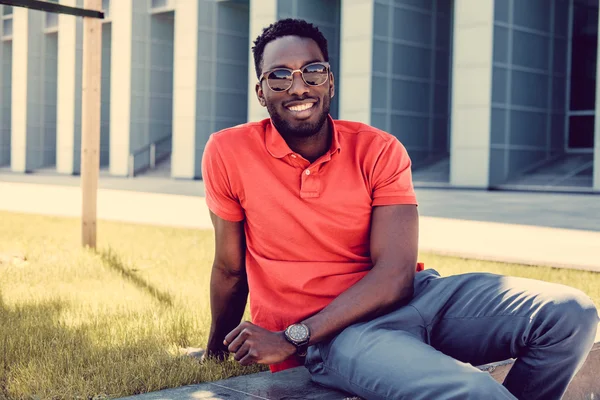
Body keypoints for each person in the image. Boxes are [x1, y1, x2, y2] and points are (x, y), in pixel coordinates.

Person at [200, 18, 599, 400]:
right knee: (474, 391)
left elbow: (395, 276)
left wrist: (289, 338)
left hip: (418, 300)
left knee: (571, 315)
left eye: (313, 71)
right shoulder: (229, 152)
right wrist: (216, 349)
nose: (299, 87)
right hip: (338, 339)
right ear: (261, 91)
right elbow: (231, 269)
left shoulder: (378, 149)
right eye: (280, 75)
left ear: (331, 82)